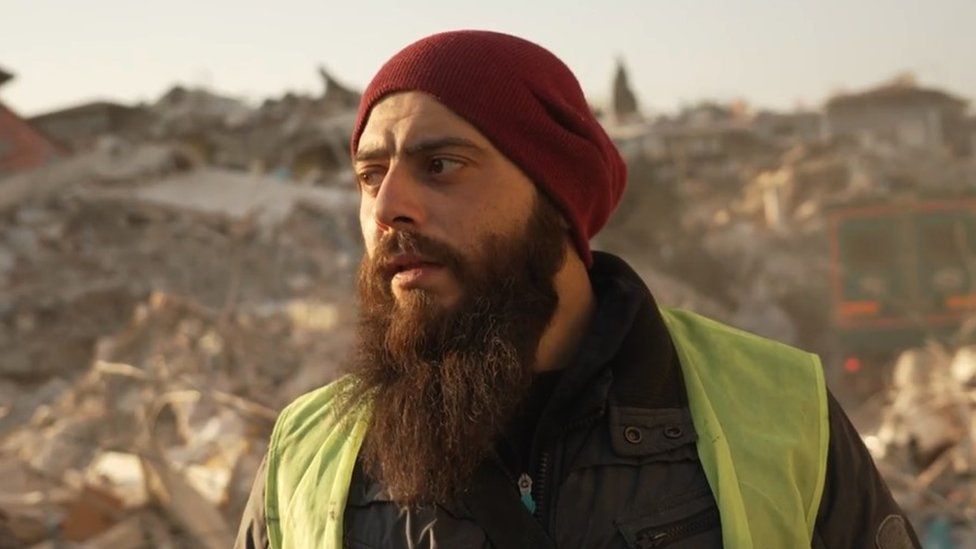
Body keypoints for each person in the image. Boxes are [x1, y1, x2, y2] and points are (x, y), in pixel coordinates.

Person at [236, 30, 919, 548]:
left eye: (440, 165)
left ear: (555, 196)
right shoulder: (307, 455)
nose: (388, 208)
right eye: (369, 175)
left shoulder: (777, 409)